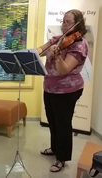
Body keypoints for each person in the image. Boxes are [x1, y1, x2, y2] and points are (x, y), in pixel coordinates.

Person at [37, 9, 88, 172]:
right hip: (50, 87)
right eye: (63, 21)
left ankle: (62, 157)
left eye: (68, 22)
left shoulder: (80, 44)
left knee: (63, 124)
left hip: (67, 91)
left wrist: (58, 56)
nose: (64, 25)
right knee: (52, 120)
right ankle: (55, 148)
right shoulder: (59, 39)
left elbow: (64, 69)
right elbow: (41, 49)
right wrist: (34, 52)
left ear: (78, 24)